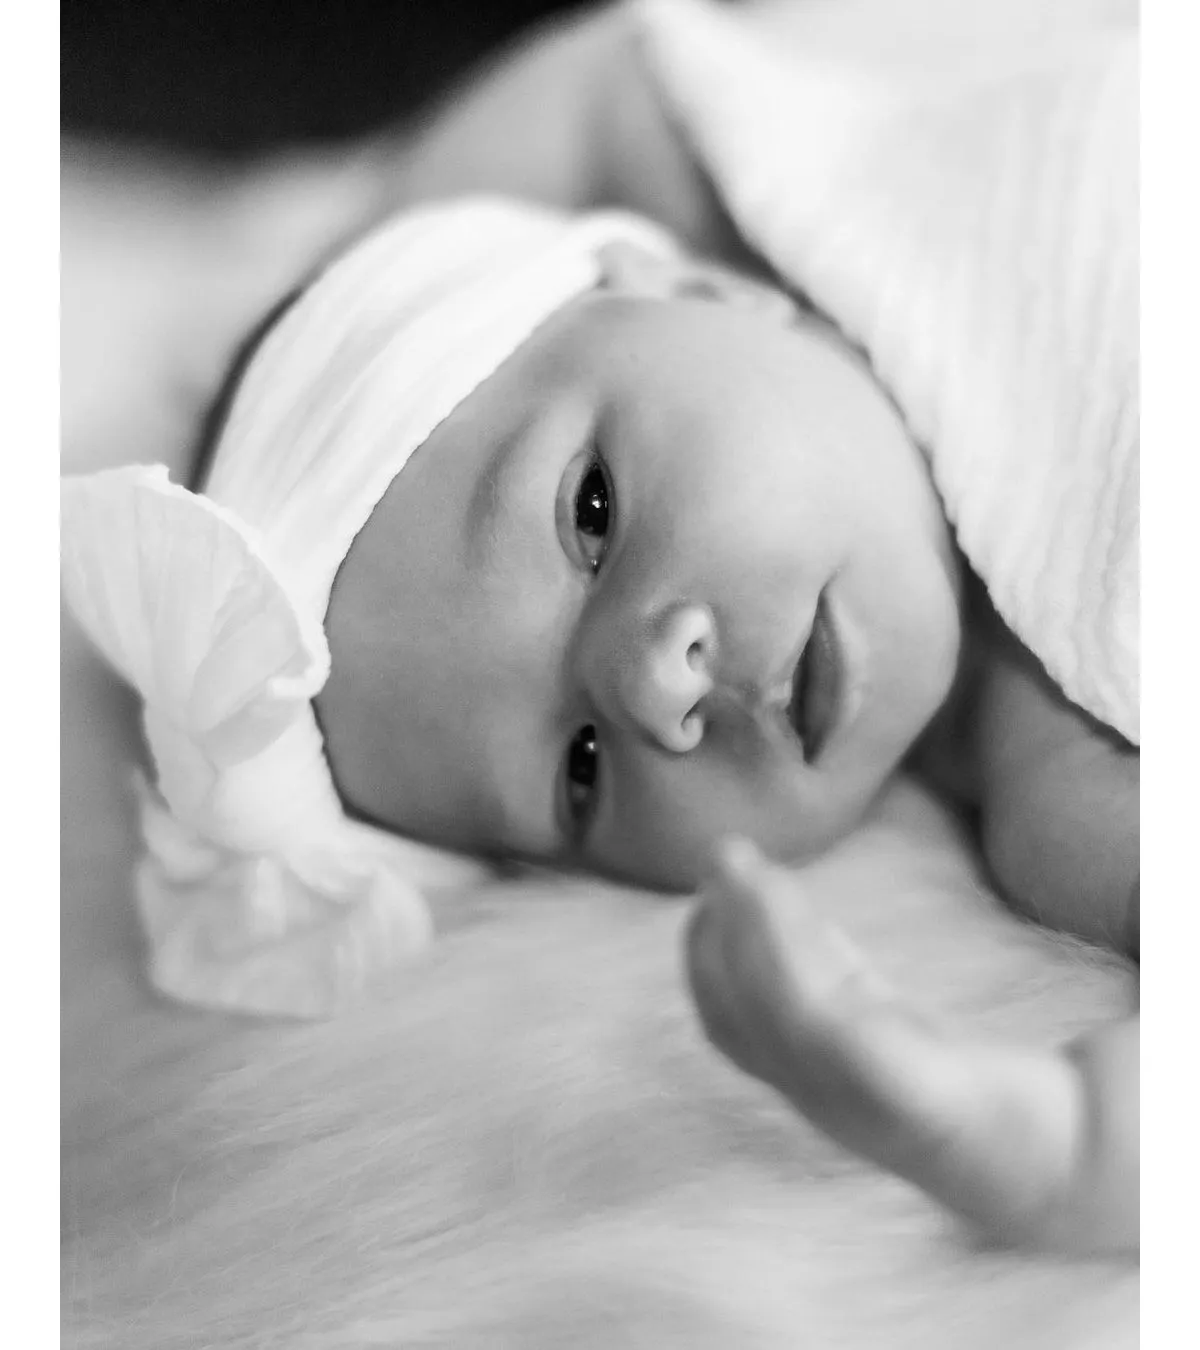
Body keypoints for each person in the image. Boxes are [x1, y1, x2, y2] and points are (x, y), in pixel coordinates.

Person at [61, 2, 1136, 1261]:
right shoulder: (1068, 796)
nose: (656, 687)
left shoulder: (836, 191)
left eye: (591, 514)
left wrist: (370, 241)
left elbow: (604, 79)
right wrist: (1041, 1141)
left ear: (687, 289)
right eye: (580, 771)